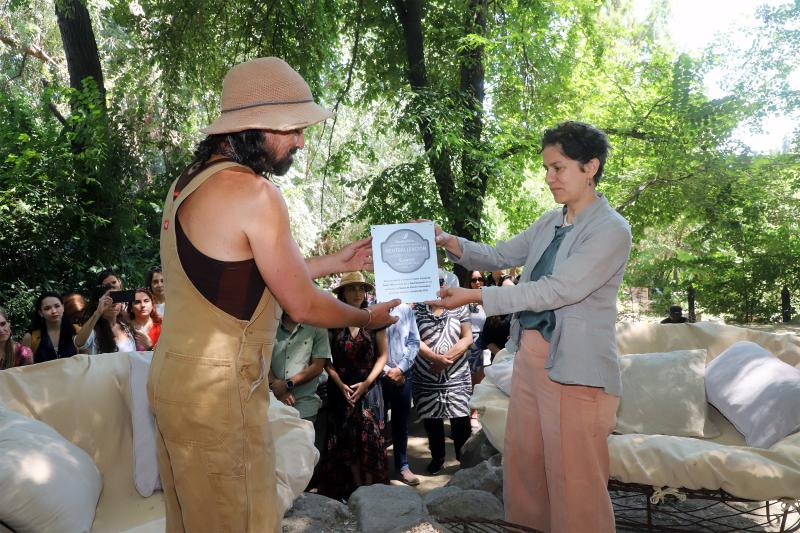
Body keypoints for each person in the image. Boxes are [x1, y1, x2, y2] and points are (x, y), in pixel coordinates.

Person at [146, 57, 398, 532]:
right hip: (217, 395)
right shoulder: (255, 192)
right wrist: (369, 320)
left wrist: (331, 264)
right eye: (294, 129)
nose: (301, 141)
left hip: (174, 383)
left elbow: (234, 273)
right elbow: (301, 303)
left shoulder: (188, 183)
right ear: (255, 126)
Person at [428, 121, 632, 532]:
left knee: (575, 484)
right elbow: (500, 254)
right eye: (546, 168)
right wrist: (452, 242)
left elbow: (557, 290)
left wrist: (477, 297)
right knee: (525, 471)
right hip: (530, 360)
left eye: (558, 168)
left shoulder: (611, 229)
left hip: (577, 370)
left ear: (590, 167)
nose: (549, 178)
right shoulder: (549, 222)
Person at [317, 272, 390, 500]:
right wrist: (340, 384)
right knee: (346, 440)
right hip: (341, 391)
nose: (357, 293)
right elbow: (325, 360)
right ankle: (356, 489)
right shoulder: (333, 322)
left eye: (361, 289)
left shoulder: (375, 320)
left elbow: (383, 356)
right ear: (342, 293)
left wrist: (367, 383)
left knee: (369, 438)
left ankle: (369, 490)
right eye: (352, 289)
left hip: (369, 389)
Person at [412, 269, 474, 475]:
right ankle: (437, 458)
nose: (438, 285)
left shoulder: (458, 306)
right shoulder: (417, 308)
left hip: (456, 376)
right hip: (427, 374)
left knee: (461, 422)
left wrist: (446, 359)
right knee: (431, 420)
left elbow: (467, 338)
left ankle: (463, 460)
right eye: (432, 281)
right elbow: (413, 338)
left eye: (441, 281)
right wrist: (433, 358)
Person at [382, 301, 420, 485]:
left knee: (401, 423)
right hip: (377, 376)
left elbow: (414, 341)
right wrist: (387, 370)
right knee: (376, 423)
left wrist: (401, 369)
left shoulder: (405, 309)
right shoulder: (370, 307)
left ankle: (402, 466)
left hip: (403, 374)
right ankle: (378, 466)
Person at [268, 311, 331, 422]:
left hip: (304, 406)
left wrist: (287, 384)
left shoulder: (317, 327)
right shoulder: (270, 324)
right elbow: (262, 359)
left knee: (303, 438)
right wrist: (276, 387)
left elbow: (317, 367)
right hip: (272, 403)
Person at [75, 285, 145, 354]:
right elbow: (79, 343)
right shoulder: (94, 330)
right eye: (108, 300)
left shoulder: (126, 327)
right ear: (98, 304)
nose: (114, 304)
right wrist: (98, 312)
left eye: (116, 299)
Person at [22, 292, 79, 362]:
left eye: (57, 306)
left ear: (63, 307)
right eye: (47, 308)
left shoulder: (77, 330)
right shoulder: (31, 337)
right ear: (40, 313)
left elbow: (85, 358)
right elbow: (25, 367)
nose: (54, 311)